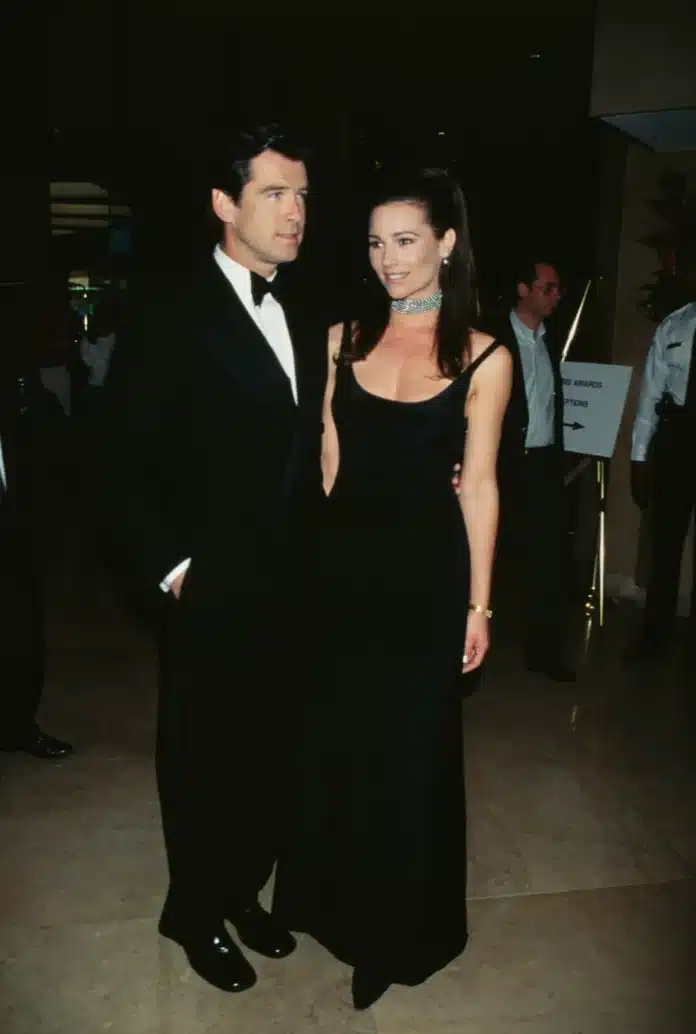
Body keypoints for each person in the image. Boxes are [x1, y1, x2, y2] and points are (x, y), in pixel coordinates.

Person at [272, 167, 512, 1010]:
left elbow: (480, 486)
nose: (389, 260)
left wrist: (479, 605)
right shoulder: (341, 338)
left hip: (426, 583)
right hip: (342, 573)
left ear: (446, 242)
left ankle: (392, 936)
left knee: (407, 757)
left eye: (406, 241)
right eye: (376, 243)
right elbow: (328, 460)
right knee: (338, 742)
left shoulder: (486, 355)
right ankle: (324, 904)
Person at [99, 122, 327, 994]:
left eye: (302, 195)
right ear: (224, 204)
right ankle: (192, 911)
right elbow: (119, 464)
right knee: (205, 756)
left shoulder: (302, 309)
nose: (295, 212)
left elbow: (315, 445)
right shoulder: (170, 312)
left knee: (271, 752)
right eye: (274, 193)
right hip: (213, 581)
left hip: (294, 580)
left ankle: (237, 889)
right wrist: (174, 570)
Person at [485, 259, 575, 682]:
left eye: (558, 289)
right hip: (499, 464)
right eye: (548, 288)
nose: (556, 296)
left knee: (545, 560)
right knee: (485, 556)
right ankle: (464, 651)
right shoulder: (492, 338)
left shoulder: (550, 340)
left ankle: (544, 652)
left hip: (540, 464)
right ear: (524, 290)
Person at [0, 329, 73, 761]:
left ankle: (17, 725)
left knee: (22, 632)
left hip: (14, 527)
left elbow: (48, 442)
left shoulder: (19, 389)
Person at [624, 297, 696, 664]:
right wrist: (639, 456)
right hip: (677, 439)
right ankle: (654, 637)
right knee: (665, 545)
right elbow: (650, 392)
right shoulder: (674, 323)